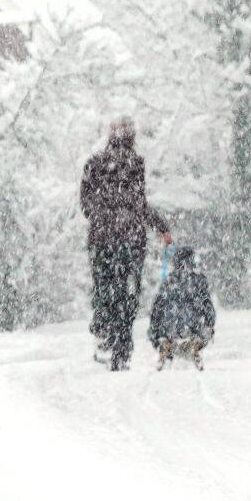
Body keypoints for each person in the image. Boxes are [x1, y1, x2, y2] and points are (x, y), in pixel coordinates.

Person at [80, 116, 171, 371]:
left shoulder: (93, 163)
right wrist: (160, 227)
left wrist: (103, 217)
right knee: (127, 293)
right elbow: (138, 204)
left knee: (104, 287)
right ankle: (121, 348)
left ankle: (104, 333)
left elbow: (85, 204)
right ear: (132, 137)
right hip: (130, 240)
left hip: (102, 239)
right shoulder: (135, 164)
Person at [148, 245, 216, 371]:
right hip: (192, 329)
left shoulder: (168, 281)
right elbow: (208, 308)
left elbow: (156, 309)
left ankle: (166, 346)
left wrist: (154, 333)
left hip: (168, 330)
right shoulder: (199, 281)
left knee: (162, 320)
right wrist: (209, 325)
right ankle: (194, 345)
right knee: (204, 324)